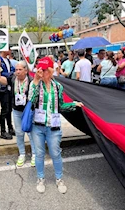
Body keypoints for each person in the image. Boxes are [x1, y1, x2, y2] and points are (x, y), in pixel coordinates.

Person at [28, 56, 83, 194]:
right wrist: (36, 79)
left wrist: (73, 105)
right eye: (40, 69)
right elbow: (31, 100)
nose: (42, 72)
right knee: (39, 154)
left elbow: (61, 106)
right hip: (38, 126)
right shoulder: (35, 84)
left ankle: (59, 179)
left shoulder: (58, 86)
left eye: (45, 69)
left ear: (51, 70)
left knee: (55, 153)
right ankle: (40, 178)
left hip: (53, 126)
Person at [0, 58, 36, 167]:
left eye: (20, 69)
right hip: (17, 111)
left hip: (28, 111)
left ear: (25, 71)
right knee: (19, 133)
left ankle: (34, 154)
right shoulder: (12, 79)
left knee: (31, 133)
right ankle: (22, 154)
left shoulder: (31, 80)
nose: (17, 71)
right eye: (16, 69)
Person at [0, 50, 16, 140]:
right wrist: (10, 75)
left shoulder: (8, 60)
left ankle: (10, 127)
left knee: (9, 108)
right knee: (4, 109)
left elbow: (12, 69)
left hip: (9, 87)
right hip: (2, 88)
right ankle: (2, 130)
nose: (10, 51)